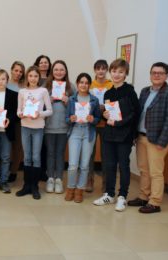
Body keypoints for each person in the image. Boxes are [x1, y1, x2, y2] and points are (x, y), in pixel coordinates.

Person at [128, 62, 168, 213]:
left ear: (166, 76)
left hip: (158, 140)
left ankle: (155, 202)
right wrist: (134, 134)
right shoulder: (145, 91)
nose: (156, 75)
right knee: (143, 170)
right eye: (154, 72)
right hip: (141, 136)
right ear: (150, 74)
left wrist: (162, 141)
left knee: (155, 172)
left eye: (160, 73)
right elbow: (138, 114)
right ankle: (144, 197)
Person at [93, 58, 140, 212]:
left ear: (126, 73)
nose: (117, 74)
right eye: (114, 71)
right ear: (110, 72)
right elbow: (107, 114)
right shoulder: (108, 92)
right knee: (109, 165)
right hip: (109, 134)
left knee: (124, 166)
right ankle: (109, 194)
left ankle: (122, 196)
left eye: (120, 72)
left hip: (124, 135)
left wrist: (119, 123)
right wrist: (105, 115)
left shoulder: (130, 91)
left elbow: (135, 114)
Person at [16, 66, 52, 200]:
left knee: (36, 157)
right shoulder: (22, 92)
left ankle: (35, 186)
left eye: (35, 76)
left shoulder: (43, 91)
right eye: (30, 76)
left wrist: (39, 114)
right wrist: (21, 114)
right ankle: (27, 185)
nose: (33, 78)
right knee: (27, 157)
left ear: (39, 78)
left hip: (38, 128)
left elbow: (49, 110)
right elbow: (18, 110)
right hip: (25, 126)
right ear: (27, 77)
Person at [65, 73, 101, 203]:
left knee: (85, 165)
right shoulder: (72, 99)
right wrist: (71, 118)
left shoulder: (94, 100)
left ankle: (80, 190)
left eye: (86, 83)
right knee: (73, 165)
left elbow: (98, 118)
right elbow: (66, 118)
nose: (83, 85)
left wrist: (93, 119)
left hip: (88, 132)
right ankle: (70, 188)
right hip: (75, 132)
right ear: (77, 83)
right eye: (81, 82)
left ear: (89, 85)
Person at [43, 60, 76, 194]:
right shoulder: (46, 86)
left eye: (62, 69)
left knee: (60, 153)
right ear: (52, 71)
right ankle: (50, 178)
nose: (59, 72)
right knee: (50, 153)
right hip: (49, 126)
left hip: (63, 126)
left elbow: (77, 108)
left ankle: (59, 180)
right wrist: (47, 102)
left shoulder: (71, 87)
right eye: (56, 69)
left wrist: (68, 102)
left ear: (66, 71)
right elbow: (37, 106)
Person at [87, 59, 113, 193]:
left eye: (103, 68)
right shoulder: (90, 85)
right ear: (95, 70)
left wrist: (106, 107)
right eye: (98, 68)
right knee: (89, 154)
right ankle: (89, 181)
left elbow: (114, 104)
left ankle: (105, 184)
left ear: (107, 70)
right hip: (92, 123)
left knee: (106, 155)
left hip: (106, 125)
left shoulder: (111, 85)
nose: (101, 71)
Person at [6, 61, 25, 182]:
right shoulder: (5, 84)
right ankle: (4, 170)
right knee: (6, 147)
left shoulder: (24, 87)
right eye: (16, 70)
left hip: (19, 121)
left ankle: (13, 172)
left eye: (20, 71)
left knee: (17, 147)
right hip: (5, 120)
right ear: (11, 70)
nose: (18, 73)